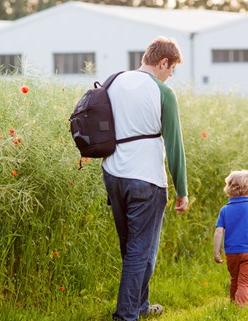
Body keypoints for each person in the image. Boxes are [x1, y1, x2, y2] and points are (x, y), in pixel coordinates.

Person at [102, 36, 189, 321]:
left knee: (134, 248)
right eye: (171, 70)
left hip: (113, 174)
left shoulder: (114, 81)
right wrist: (182, 190)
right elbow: (175, 145)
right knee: (140, 251)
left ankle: (140, 305)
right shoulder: (162, 93)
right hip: (146, 179)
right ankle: (126, 315)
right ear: (163, 62)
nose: (169, 76)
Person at [213, 169, 248, 306]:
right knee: (244, 282)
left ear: (229, 188)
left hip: (231, 253)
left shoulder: (225, 210)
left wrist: (216, 251)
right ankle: (241, 308)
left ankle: (233, 304)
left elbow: (219, 232)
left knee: (235, 279)